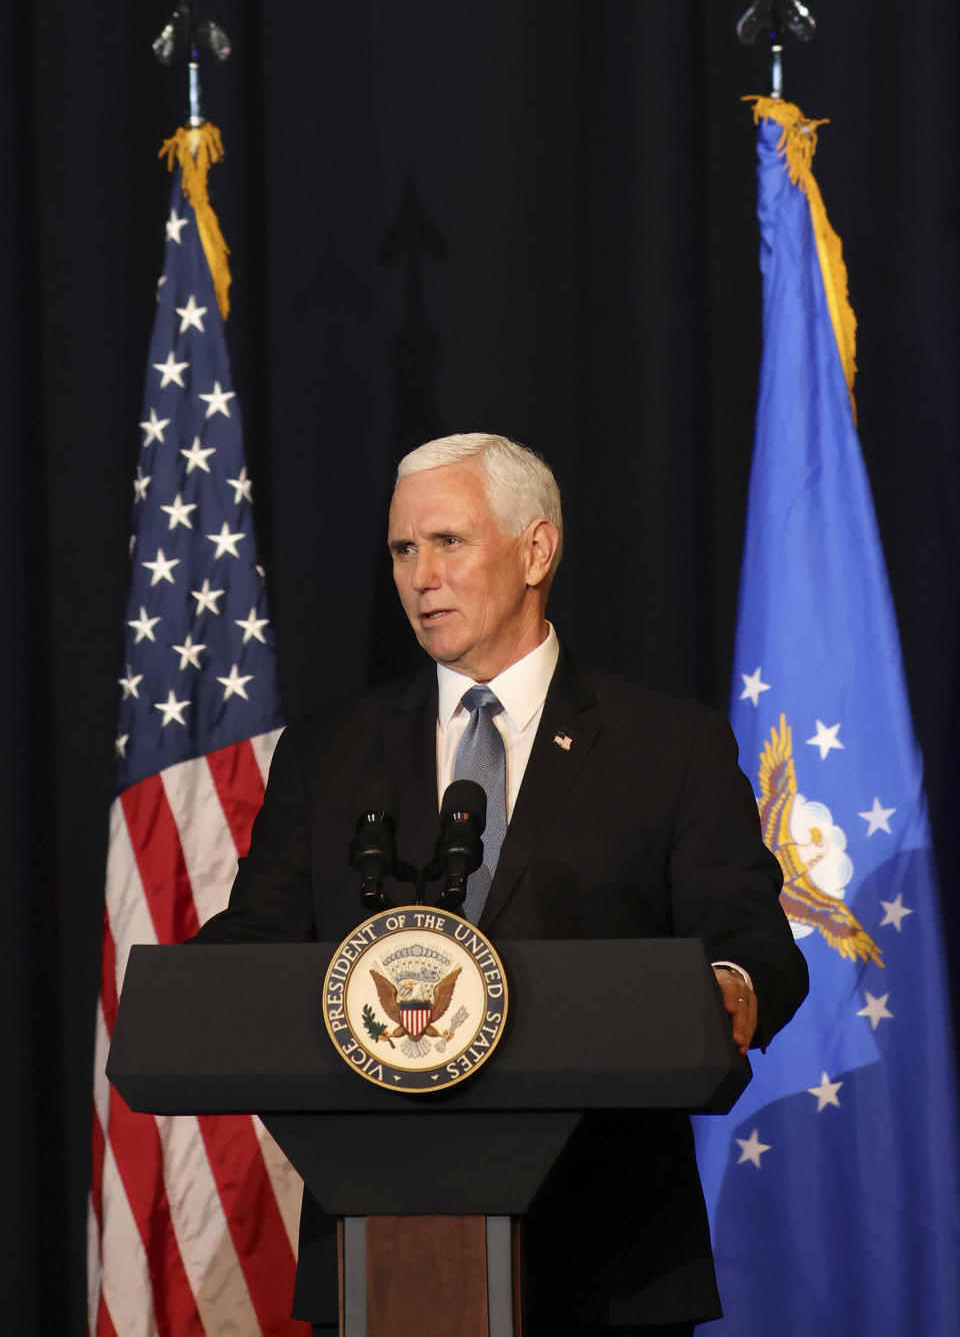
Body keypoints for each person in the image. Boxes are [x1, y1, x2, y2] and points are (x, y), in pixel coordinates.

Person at [192, 432, 808, 1336]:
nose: (419, 575)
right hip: (378, 1254)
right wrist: (190, 990)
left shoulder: (665, 746)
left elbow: (753, 938)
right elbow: (261, 940)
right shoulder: (329, 752)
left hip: (606, 1262)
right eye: (403, 549)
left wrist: (730, 989)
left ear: (535, 550)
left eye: (448, 542)